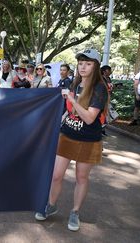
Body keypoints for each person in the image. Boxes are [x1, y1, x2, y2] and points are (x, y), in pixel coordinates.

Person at [34, 49, 108, 232]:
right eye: (81, 63)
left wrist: (72, 100)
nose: (83, 67)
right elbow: (70, 111)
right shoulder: (75, 83)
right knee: (56, 175)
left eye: (88, 63)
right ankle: (51, 205)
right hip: (67, 135)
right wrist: (58, 122)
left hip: (89, 140)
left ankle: (75, 211)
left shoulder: (99, 88)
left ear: (96, 66)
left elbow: (90, 118)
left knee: (81, 177)